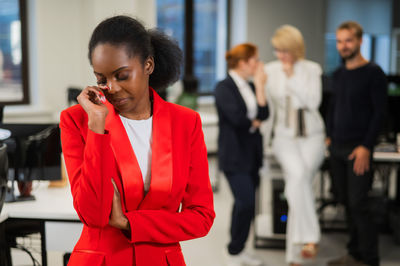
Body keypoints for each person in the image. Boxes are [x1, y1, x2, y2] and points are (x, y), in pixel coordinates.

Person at [60, 15, 215, 266]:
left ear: (148, 65)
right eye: (101, 79)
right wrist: (97, 127)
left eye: (122, 76)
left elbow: (201, 218)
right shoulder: (78, 120)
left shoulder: (186, 123)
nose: (112, 88)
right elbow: (94, 215)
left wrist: (128, 223)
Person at [263, 25, 325, 266]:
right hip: (284, 138)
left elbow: (313, 102)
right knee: (298, 177)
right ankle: (311, 237)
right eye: (277, 50)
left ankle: (294, 258)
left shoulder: (312, 69)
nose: (280, 56)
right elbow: (269, 111)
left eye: (285, 51)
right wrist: (263, 144)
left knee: (297, 187)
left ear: (296, 49)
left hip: (313, 136)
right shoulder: (270, 71)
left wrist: (292, 78)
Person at [326, 21, 387, 266]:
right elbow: (332, 107)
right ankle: (354, 254)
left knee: (359, 204)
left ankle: (370, 259)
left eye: (348, 40)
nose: (343, 46)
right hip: (337, 147)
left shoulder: (374, 73)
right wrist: (329, 134)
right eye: (339, 41)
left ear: (360, 41)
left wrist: (366, 146)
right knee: (346, 203)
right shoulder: (338, 74)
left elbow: (380, 113)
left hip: (358, 148)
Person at [215, 43, 269, 266]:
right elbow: (236, 118)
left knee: (245, 205)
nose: (257, 64)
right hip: (234, 154)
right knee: (245, 202)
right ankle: (233, 251)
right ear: (242, 62)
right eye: (254, 60)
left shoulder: (250, 85)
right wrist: (252, 122)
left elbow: (264, 113)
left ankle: (239, 248)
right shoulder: (223, 87)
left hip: (252, 153)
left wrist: (260, 87)